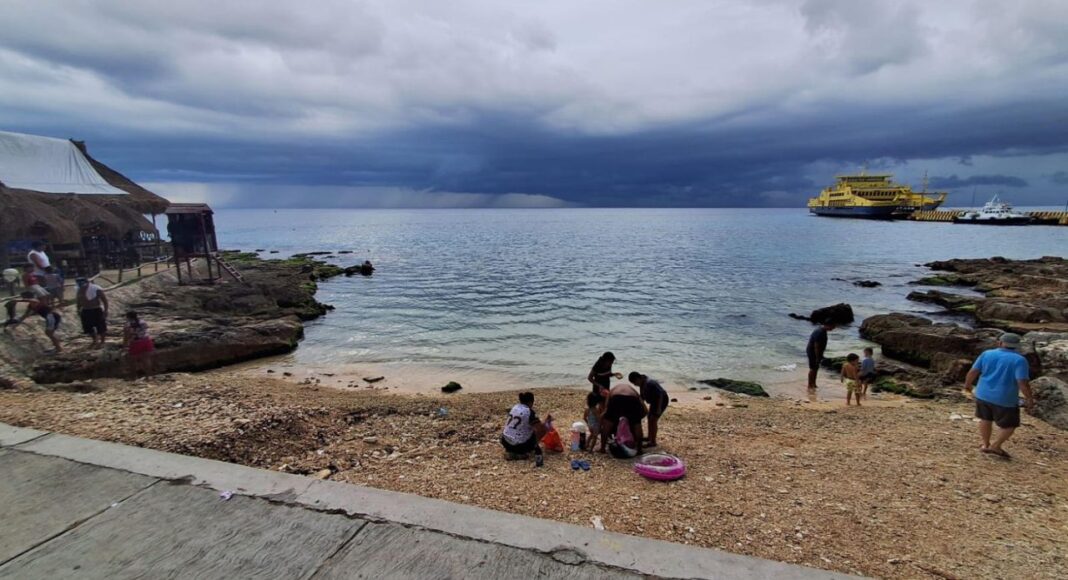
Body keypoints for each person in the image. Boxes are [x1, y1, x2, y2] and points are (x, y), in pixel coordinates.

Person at [964, 333, 1034, 459]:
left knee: (985, 419)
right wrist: (1029, 398)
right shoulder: (1019, 360)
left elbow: (973, 371)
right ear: (1017, 346)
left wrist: (968, 385)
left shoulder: (987, 354)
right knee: (1010, 425)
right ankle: (996, 446)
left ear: (1000, 343)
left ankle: (985, 444)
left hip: (983, 393)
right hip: (1005, 398)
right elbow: (1022, 382)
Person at [501, 391, 550, 460]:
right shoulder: (529, 412)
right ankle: (522, 453)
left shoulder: (515, 407)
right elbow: (540, 429)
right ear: (531, 402)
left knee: (528, 429)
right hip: (518, 445)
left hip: (504, 440)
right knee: (538, 431)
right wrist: (547, 423)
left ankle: (511, 451)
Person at [600, 382, 646, 455]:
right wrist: (637, 419)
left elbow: (606, 408)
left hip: (616, 398)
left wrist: (603, 419)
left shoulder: (612, 391)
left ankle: (602, 449)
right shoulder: (633, 391)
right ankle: (639, 450)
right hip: (632, 398)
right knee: (637, 425)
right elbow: (644, 409)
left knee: (607, 425)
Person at [628, 371, 669, 448]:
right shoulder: (642, 383)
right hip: (654, 401)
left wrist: (659, 408)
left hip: (661, 400)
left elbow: (660, 394)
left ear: (638, 378)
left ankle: (653, 442)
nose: (635, 384)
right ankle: (650, 437)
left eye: (634, 382)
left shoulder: (650, 383)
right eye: (633, 383)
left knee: (653, 420)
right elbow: (642, 397)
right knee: (649, 418)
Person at [75, 277, 109, 347]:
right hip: (85, 310)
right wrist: (78, 309)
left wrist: (105, 311)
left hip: (96, 309)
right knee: (88, 327)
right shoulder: (79, 290)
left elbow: (104, 300)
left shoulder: (96, 289)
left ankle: (102, 341)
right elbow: (78, 301)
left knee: (101, 326)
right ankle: (94, 340)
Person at [123, 311, 155, 376]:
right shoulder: (143, 322)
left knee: (132, 360)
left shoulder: (128, 324)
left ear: (128, 317)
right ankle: (148, 376)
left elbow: (126, 336)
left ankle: (134, 376)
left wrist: (124, 346)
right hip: (146, 341)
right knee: (146, 359)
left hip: (136, 343)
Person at [806, 320, 836, 390]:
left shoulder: (823, 330)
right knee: (813, 368)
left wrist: (820, 355)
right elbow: (816, 346)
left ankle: (814, 384)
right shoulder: (819, 332)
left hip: (818, 352)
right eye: (833, 326)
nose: (833, 328)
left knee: (816, 368)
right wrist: (817, 357)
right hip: (813, 352)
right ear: (828, 325)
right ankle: (809, 385)